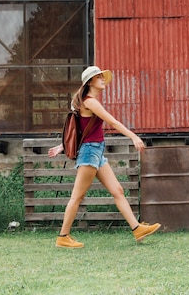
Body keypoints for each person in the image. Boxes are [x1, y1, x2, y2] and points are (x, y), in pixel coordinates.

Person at [48, 66, 161, 248]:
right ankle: (63, 236)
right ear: (90, 82)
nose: (102, 79)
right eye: (98, 77)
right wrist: (133, 136)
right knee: (77, 196)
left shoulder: (87, 102)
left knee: (117, 190)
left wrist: (62, 146)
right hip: (90, 151)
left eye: (102, 76)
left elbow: (81, 130)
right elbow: (112, 122)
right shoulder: (90, 102)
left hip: (96, 151)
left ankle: (137, 229)